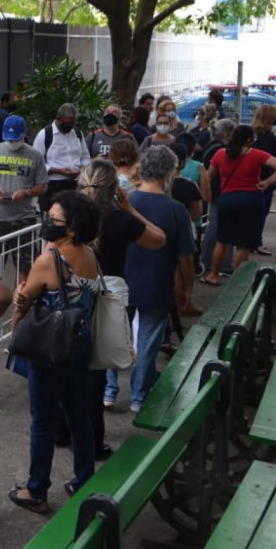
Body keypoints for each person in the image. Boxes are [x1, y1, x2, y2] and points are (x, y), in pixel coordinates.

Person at [7, 191, 101, 513]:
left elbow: (25, 301)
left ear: (71, 228)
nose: (47, 222)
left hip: (50, 350)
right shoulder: (89, 254)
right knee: (79, 415)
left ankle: (36, 491)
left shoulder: (50, 260)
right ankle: (83, 478)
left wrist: (17, 318)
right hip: (80, 344)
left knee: (44, 421)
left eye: (54, 219)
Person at [77, 162, 165, 423]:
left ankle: (99, 400)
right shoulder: (122, 218)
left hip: (77, 291)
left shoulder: (70, 217)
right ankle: (107, 395)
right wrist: (130, 209)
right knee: (108, 352)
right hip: (113, 293)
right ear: (115, 189)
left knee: (82, 359)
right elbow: (159, 239)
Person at [113, 148, 195, 412]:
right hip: (158, 282)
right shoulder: (176, 210)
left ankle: (108, 389)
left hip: (123, 279)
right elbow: (185, 257)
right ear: (168, 173)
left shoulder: (125, 202)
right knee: (148, 341)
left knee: (114, 337)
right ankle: (139, 394)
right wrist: (187, 288)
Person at [203, 126, 276, 286]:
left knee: (222, 240)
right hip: (251, 200)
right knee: (244, 244)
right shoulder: (256, 154)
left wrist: (206, 193)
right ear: (249, 139)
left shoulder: (221, 153)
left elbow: (208, 176)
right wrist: (268, 182)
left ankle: (213, 274)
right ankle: (238, 280)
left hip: (227, 199)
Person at [0, 115, 48, 242]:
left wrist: (26, 192)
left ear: (24, 134)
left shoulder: (35, 155)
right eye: (9, 139)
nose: (12, 143)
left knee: (26, 261)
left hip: (23, 218)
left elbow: (43, 186)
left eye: (15, 139)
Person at [33, 102, 91, 210]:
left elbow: (85, 157)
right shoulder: (45, 135)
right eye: (68, 124)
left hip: (75, 184)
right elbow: (36, 163)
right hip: (53, 185)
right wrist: (58, 171)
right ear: (58, 119)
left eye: (73, 124)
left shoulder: (77, 134)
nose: (70, 127)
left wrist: (82, 170)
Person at [169, 143, 205, 317]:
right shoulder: (189, 186)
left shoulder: (159, 185)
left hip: (164, 231)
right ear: (183, 162)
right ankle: (186, 301)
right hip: (186, 231)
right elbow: (197, 215)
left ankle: (175, 306)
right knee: (185, 269)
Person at [199, 120, 236, 276]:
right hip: (220, 192)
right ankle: (212, 262)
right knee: (217, 227)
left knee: (215, 226)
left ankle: (211, 261)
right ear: (228, 134)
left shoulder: (211, 146)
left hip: (215, 191)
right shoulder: (222, 150)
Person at [250, 105, 276, 255]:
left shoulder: (252, 134)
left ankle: (250, 240)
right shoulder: (269, 137)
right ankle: (256, 241)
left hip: (250, 178)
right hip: (263, 180)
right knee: (261, 212)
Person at [177, 132, 212, 204]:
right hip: (191, 208)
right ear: (193, 148)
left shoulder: (167, 165)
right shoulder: (200, 167)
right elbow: (206, 197)